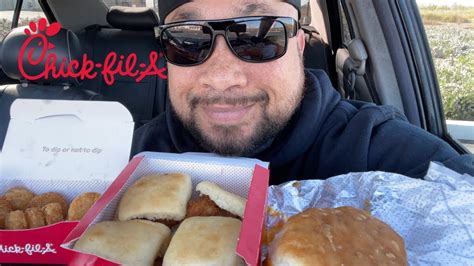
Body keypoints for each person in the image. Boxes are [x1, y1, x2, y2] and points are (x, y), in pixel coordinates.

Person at [132, 0, 474, 185]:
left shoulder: (376, 152)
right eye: (188, 40)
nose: (222, 78)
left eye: (258, 35)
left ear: (298, 45)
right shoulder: (128, 158)